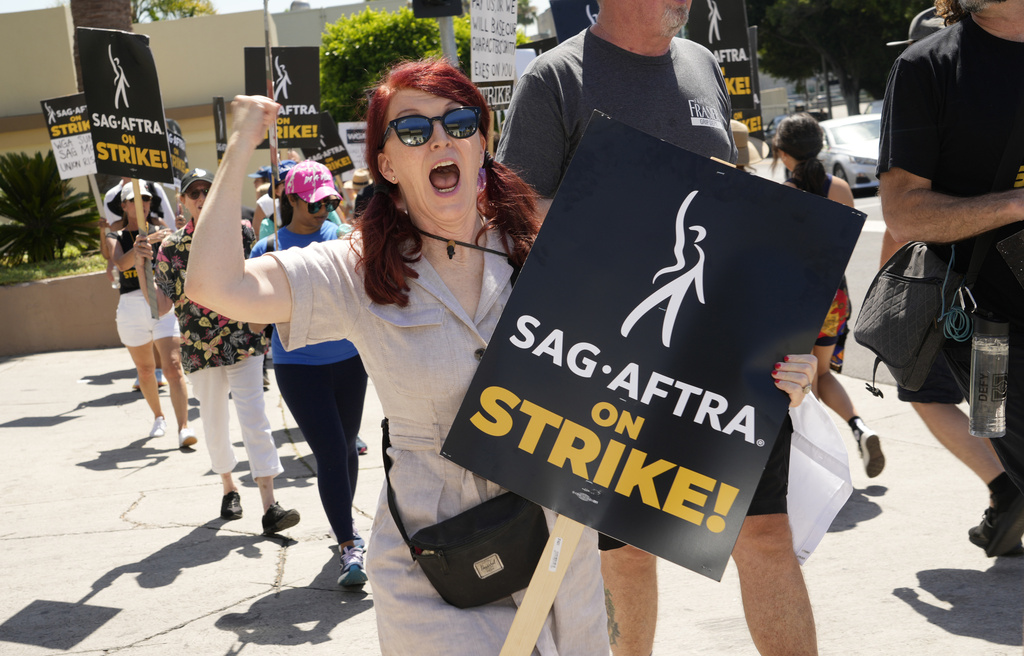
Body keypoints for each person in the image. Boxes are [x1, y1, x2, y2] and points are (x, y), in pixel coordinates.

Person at [184, 59, 806, 654]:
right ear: (387, 163)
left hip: (558, 546)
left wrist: (768, 372)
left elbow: (671, 338)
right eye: (412, 129)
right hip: (438, 559)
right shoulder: (350, 268)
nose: (439, 140)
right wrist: (240, 145)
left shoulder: (548, 241)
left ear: (483, 142)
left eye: (458, 125)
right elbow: (214, 286)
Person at [497, 1, 819, 654]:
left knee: (764, 533)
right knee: (626, 551)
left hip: (722, 347)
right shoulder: (553, 78)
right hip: (613, 361)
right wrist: (642, 203)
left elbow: (729, 191)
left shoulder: (701, 63)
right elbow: (515, 216)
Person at [878, 0, 1024, 556]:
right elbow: (904, 215)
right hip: (992, 332)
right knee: (995, 436)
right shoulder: (926, 67)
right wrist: (1014, 205)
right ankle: (1001, 490)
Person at [134, 168, 301, 535]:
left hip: (243, 339)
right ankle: (229, 487)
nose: (200, 197)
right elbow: (159, 307)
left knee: (254, 416)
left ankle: (270, 503)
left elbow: (257, 275)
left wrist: (264, 319)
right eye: (193, 192)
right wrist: (141, 264)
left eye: (207, 190)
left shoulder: (239, 232)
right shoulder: (171, 247)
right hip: (198, 346)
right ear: (183, 201)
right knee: (213, 419)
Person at [249, 160, 369, 585]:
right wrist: (274, 283)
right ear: (291, 199)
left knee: (348, 450)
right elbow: (252, 324)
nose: (324, 210)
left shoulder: (341, 237)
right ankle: (349, 543)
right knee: (332, 453)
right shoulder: (268, 248)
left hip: (350, 361)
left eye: (330, 201)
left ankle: (344, 524)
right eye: (315, 203)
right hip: (299, 367)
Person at [772, 113, 886, 478]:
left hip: (798, 302)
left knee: (800, 380)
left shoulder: (785, 195)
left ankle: (815, 464)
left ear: (783, 153)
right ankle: (858, 427)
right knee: (821, 372)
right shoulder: (839, 187)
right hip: (835, 297)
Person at [105, 183, 193, 446]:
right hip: (131, 306)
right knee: (145, 369)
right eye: (134, 199)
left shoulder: (161, 231)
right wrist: (142, 244)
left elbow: (182, 255)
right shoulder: (115, 235)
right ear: (124, 205)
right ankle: (158, 416)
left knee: (173, 366)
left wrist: (181, 230)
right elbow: (120, 263)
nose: (142, 203)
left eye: (146, 198)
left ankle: (184, 427)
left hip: (160, 300)